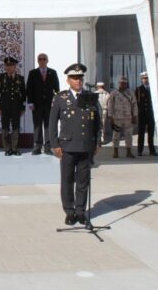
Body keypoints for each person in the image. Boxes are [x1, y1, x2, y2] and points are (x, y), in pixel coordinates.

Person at [49, 63, 100, 226]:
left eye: (80, 78)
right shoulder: (61, 98)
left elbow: (97, 121)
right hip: (68, 146)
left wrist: (97, 142)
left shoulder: (90, 96)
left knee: (83, 181)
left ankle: (80, 211)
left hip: (86, 146)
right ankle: (69, 211)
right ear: (68, 80)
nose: (78, 81)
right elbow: (52, 123)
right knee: (67, 180)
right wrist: (54, 144)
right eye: (74, 78)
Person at [26, 53, 60, 155]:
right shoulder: (33, 73)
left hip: (49, 104)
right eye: (40, 59)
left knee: (48, 126)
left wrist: (56, 101)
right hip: (36, 104)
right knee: (37, 125)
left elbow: (57, 89)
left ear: (47, 60)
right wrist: (30, 102)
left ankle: (47, 147)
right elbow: (29, 89)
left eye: (44, 59)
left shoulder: (52, 72)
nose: (42, 61)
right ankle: (37, 146)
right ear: (38, 61)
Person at [0, 56, 27, 156]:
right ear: (4, 66)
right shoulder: (0, 78)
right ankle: (7, 149)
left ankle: (15, 148)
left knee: (16, 127)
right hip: (4, 108)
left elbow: (24, 94)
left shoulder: (20, 79)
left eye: (11, 65)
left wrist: (23, 107)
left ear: (15, 66)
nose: (9, 67)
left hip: (16, 107)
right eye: (7, 65)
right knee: (5, 128)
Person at [108, 76, 137, 158]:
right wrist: (110, 116)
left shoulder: (131, 93)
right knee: (116, 135)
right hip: (117, 118)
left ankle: (129, 151)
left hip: (128, 118)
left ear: (126, 83)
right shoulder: (113, 93)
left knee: (129, 135)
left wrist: (135, 115)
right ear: (118, 84)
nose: (123, 84)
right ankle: (115, 151)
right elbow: (110, 105)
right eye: (121, 83)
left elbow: (134, 104)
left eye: (124, 83)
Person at [135, 72, 157, 157]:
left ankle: (152, 150)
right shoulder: (139, 89)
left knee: (151, 133)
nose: (146, 80)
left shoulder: (153, 89)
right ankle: (140, 150)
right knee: (141, 133)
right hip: (142, 114)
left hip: (151, 114)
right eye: (144, 78)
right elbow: (136, 102)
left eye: (147, 78)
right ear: (141, 79)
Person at [94, 81, 110, 146]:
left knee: (97, 124)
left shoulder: (94, 94)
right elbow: (109, 104)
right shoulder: (107, 94)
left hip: (97, 111)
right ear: (103, 86)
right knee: (103, 124)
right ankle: (102, 138)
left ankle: (98, 138)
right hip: (104, 110)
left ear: (98, 87)